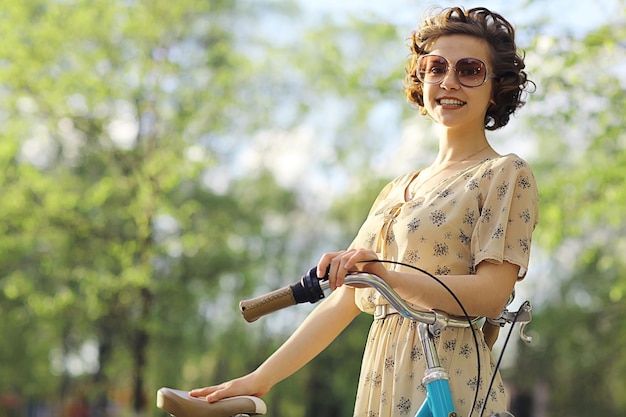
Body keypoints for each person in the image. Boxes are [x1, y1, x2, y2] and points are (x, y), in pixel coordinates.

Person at [191, 6, 539, 416]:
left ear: (496, 87)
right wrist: (258, 381)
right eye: (435, 67)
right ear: (420, 78)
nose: (449, 81)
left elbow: (490, 296)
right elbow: (344, 301)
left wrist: (386, 276)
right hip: (381, 380)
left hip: (453, 379)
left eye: (469, 70)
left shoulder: (504, 174)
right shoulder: (396, 189)